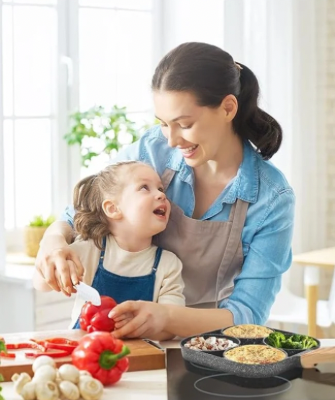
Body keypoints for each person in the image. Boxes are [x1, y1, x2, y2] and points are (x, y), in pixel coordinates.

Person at [35, 42, 295, 340]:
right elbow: (78, 212)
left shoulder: (272, 198)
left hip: (209, 344)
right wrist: (54, 241)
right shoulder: (152, 150)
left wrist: (167, 317)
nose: (171, 140)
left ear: (227, 108)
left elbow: (249, 314)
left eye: (184, 124)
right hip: (131, 342)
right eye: (163, 124)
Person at [33, 161, 185, 340]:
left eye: (161, 189)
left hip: (140, 361)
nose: (161, 195)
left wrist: (140, 324)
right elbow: (41, 284)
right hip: (84, 355)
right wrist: (55, 269)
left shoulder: (168, 264)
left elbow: (172, 326)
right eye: (145, 187)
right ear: (113, 209)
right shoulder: (90, 250)